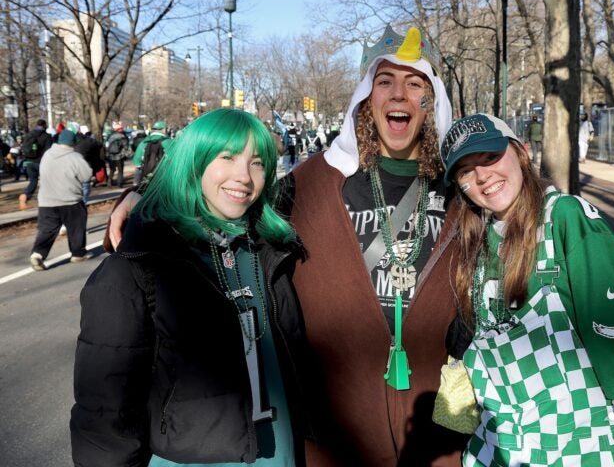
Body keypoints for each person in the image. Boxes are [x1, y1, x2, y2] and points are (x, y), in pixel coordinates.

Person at [106, 25, 466, 466]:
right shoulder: (308, 186)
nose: (399, 96)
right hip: (336, 436)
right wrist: (146, 196)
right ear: (365, 98)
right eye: (384, 82)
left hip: (433, 434)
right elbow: (223, 204)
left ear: (432, 102)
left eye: (416, 85)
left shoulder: (461, 191)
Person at [439, 113, 614, 466]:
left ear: (521, 153)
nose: (482, 176)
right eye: (466, 170)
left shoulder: (566, 221)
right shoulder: (475, 246)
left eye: (490, 157)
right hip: (496, 453)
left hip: (580, 453)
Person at [71, 109, 314, 466]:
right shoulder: (139, 265)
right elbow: (104, 414)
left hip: (280, 452)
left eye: (258, 163)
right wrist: (140, 201)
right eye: (227, 157)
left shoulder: (266, 246)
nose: (244, 177)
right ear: (194, 161)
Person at [29, 130, 93, 271]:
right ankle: (77, 253)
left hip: (47, 200)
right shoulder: (75, 157)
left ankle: (38, 254)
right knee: (76, 227)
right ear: (73, 143)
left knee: (47, 230)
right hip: (70, 199)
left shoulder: (48, 154)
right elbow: (86, 175)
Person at [19, 118, 53, 210]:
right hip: (41, 162)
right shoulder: (47, 136)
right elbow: (48, 151)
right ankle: (46, 200)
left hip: (29, 162)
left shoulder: (29, 135)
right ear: (45, 125)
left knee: (33, 181)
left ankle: (25, 195)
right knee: (46, 181)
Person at [132, 120, 172, 185]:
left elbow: (137, 162)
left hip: (146, 177)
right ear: (164, 130)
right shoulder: (168, 142)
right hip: (164, 179)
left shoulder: (143, 142)